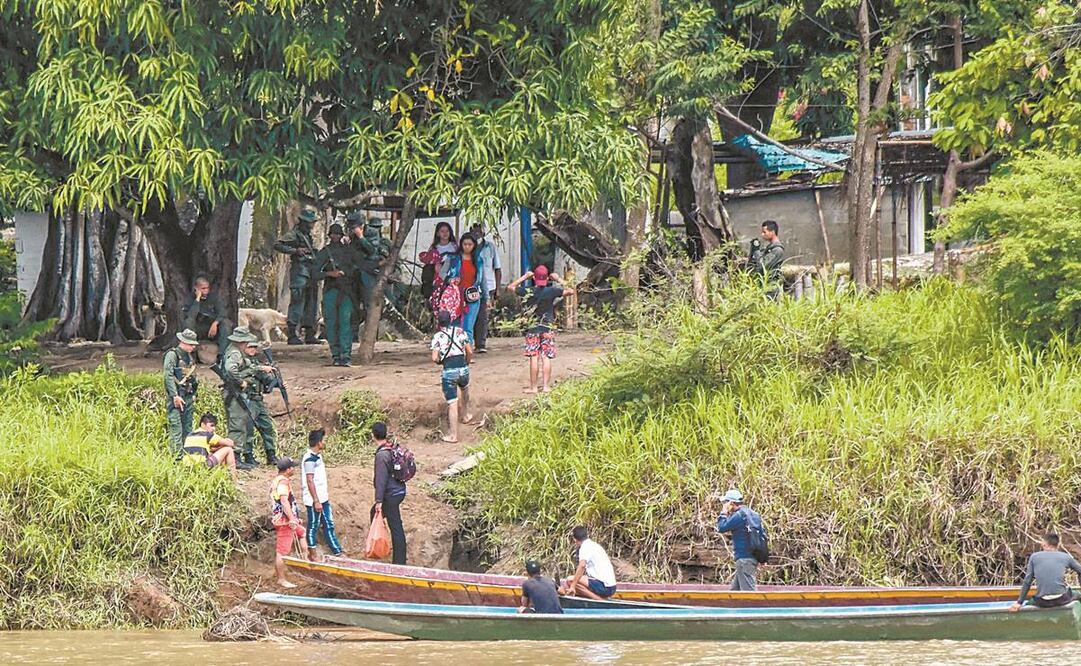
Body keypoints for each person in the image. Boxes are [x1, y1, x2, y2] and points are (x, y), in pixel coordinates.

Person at [506, 265, 575, 393]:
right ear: (547, 278)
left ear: (534, 278)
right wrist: (558, 278)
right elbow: (571, 290)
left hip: (532, 329)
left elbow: (510, 287)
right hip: (547, 328)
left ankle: (533, 387)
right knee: (546, 356)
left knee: (534, 357)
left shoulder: (528, 291)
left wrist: (525, 277)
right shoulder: (552, 291)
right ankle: (546, 386)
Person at [222, 326, 278, 467]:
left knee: (256, 426)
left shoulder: (243, 356)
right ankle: (236, 458)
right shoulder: (235, 353)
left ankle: (262, 456)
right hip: (237, 395)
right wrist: (241, 382)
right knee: (238, 426)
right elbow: (230, 369)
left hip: (249, 396)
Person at [313, 223, 357, 367]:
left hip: (346, 292)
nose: (335, 237)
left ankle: (345, 356)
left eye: (337, 234)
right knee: (331, 324)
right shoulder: (325, 252)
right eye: (333, 234)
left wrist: (345, 274)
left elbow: (357, 270)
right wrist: (329, 274)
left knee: (345, 324)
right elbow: (314, 273)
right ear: (329, 236)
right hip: (331, 290)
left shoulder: (349, 251)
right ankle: (336, 355)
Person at [274, 206, 318, 344]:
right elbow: (278, 244)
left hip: (310, 272)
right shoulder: (295, 234)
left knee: (311, 303)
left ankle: (309, 333)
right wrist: (295, 251)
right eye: (310, 222)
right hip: (300, 271)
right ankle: (292, 334)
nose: (312, 225)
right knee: (297, 303)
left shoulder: (308, 236)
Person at [430, 309, 474, 443]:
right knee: (465, 389)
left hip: (449, 371)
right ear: (451, 319)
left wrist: (440, 361)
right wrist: (466, 363)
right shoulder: (460, 331)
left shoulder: (438, 336)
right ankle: (466, 415)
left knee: (452, 403)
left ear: (439, 322)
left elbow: (434, 357)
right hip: (463, 368)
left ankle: (453, 435)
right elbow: (469, 352)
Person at [302, 428, 344, 560]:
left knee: (328, 523)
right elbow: (309, 480)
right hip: (314, 499)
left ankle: (337, 550)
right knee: (313, 525)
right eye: (324, 440)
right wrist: (316, 500)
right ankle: (312, 552)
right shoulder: (309, 459)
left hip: (322, 497)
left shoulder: (317, 456)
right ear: (319, 443)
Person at [1010, 533, 1081, 611]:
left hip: (1042, 601)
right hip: (1062, 599)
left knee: (1028, 604)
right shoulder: (1065, 557)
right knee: (1077, 594)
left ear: (1044, 544)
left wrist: (1019, 602)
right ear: (1057, 544)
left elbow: (1028, 581)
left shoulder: (1034, 557)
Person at [371, 422, 407, 565]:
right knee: (374, 513)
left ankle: (398, 562)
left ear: (373, 436)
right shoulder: (391, 448)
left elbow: (381, 480)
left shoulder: (381, 455)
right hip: (399, 491)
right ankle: (379, 544)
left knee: (395, 526)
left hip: (390, 495)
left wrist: (379, 501)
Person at [439, 233, 487, 342]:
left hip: (472, 295)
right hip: (456, 295)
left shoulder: (478, 260)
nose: (467, 247)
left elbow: (482, 280)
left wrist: (486, 297)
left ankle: (467, 352)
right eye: (465, 244)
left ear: (474, 245)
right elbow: (442, 273)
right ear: (461, 244)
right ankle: (455, 350)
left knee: (468, 326)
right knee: (455, 324)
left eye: (470, 244)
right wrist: (449, 280)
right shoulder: (452, 258)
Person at [715, 488, 764, 591]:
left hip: (744, 560)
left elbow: (721, 527)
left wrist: (723, 512)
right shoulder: (754, 514)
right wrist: (762, 558)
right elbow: (762, 535)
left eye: (725, 502)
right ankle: (729, 606)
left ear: (731, 503)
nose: (724, 505)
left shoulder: (738, 516)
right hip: (751, 558)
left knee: (749, 594)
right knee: (734, 592)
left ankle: (757, 607)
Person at [164, 329, 200, 457]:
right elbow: (168, 376)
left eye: (193, 344)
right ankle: (177, 458)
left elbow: (193, 377)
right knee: (176, 428)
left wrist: (195, 393)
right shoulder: (172, 355)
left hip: (188, 396)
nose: (193, 346)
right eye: (190, 344)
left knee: (188, 428)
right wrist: (175, 396)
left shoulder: (189, 357)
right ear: (182, 341)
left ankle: (187, 456)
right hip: (177, 397)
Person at [179, 413, 246, 481]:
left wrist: (218, 448)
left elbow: (209, 449)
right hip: (201, 465)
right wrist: (227, 441)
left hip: (188, 468)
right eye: (211, 425)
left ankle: (221, 478)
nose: (213, 428)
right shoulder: (207, 434)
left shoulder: (190, 434)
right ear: (203, 424)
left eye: (214, 426)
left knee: (213, 453)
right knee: (228, 449)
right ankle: (234, 480)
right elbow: (230, 444)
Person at [270, 457, 304, 588]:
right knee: (282, 552)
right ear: (288, 470)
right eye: (292, 467)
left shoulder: (277, 480)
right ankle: (281, 579)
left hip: (283, 518)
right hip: (284, 521)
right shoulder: (283, 482)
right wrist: (292, 519)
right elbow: (284, 501)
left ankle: (306, 561)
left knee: (302, 533)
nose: (294, 469)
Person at [559, 525, 617, 600]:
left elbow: (582, 566)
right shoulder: (594, 545)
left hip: (605, 587)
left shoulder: (585, 547)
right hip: (611, 586)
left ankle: (599, 600)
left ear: (575, 540)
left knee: (570, 580)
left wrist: (573, 586)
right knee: (577, 581)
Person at [470, 223, 502, 353]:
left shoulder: (490, 247)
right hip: (471, 286)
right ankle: (469, 342)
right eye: (474, 230)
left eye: (479, 230)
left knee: (483, 316)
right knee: (471, 315)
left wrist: (498, 289)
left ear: (483, 232)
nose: (477, 233)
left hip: (488, 286)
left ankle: (481, 344)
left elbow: (497, 268)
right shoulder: (468, 247)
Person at [180, 276, 232, 356]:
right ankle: (190, 354)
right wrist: (197, 299)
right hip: (198, 328)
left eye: (207, 288)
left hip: (212, 327)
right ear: (196, 288)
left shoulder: (213, 297)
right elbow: (191, 316)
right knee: (188, 322)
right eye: (203, 288)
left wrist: (215, 323)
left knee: (226, 323)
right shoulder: (190, 299)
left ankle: (222, 355)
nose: (206, 291)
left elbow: (223, 312)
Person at [422, 222, 458, 318]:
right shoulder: (434, 248)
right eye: (442, 231)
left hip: (451, 278)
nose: (445, 233)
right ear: (437, 233)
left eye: (447, 231)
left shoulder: (455, 247)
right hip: (437, 280)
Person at [748, 220, 785, 299]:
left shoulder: (777, 250)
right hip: (763, 285)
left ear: (772, 232)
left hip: (771, 287)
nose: (762, 234)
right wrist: (753, 250)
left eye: (764, 232)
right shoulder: (769, 249)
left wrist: (757, 250)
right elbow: (753, 263)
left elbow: (762, 265)